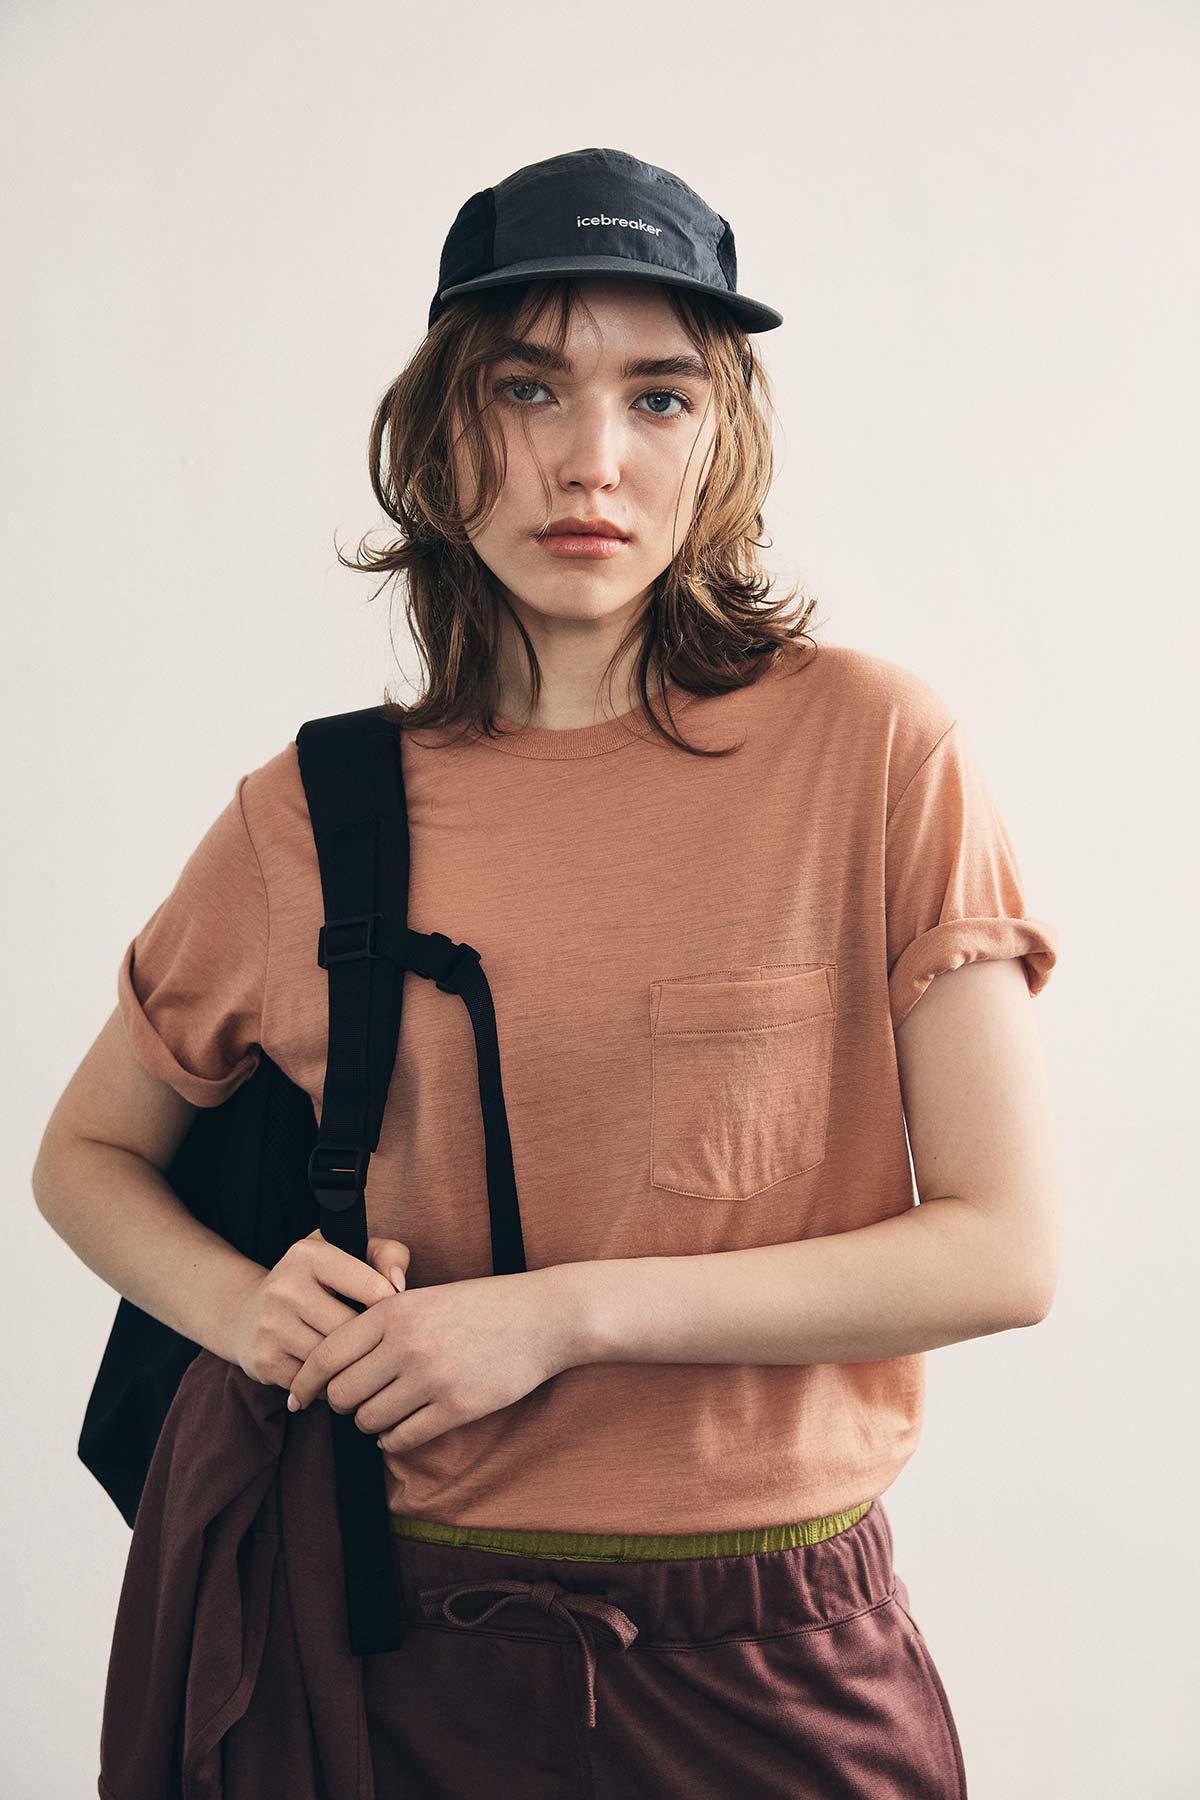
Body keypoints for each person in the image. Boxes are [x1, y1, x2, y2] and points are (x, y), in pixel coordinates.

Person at [35, 148, 1061, 1798]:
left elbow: (1005, 1250)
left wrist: (559, 1320)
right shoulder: (315, 815)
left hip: (772, 1665)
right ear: (442, 431)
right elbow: (83, 1157)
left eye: (659, 397)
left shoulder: (876, 752)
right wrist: (247, 1311)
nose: (591, 459)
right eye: (527, 388)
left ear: (722, 438)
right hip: (395, 1661)